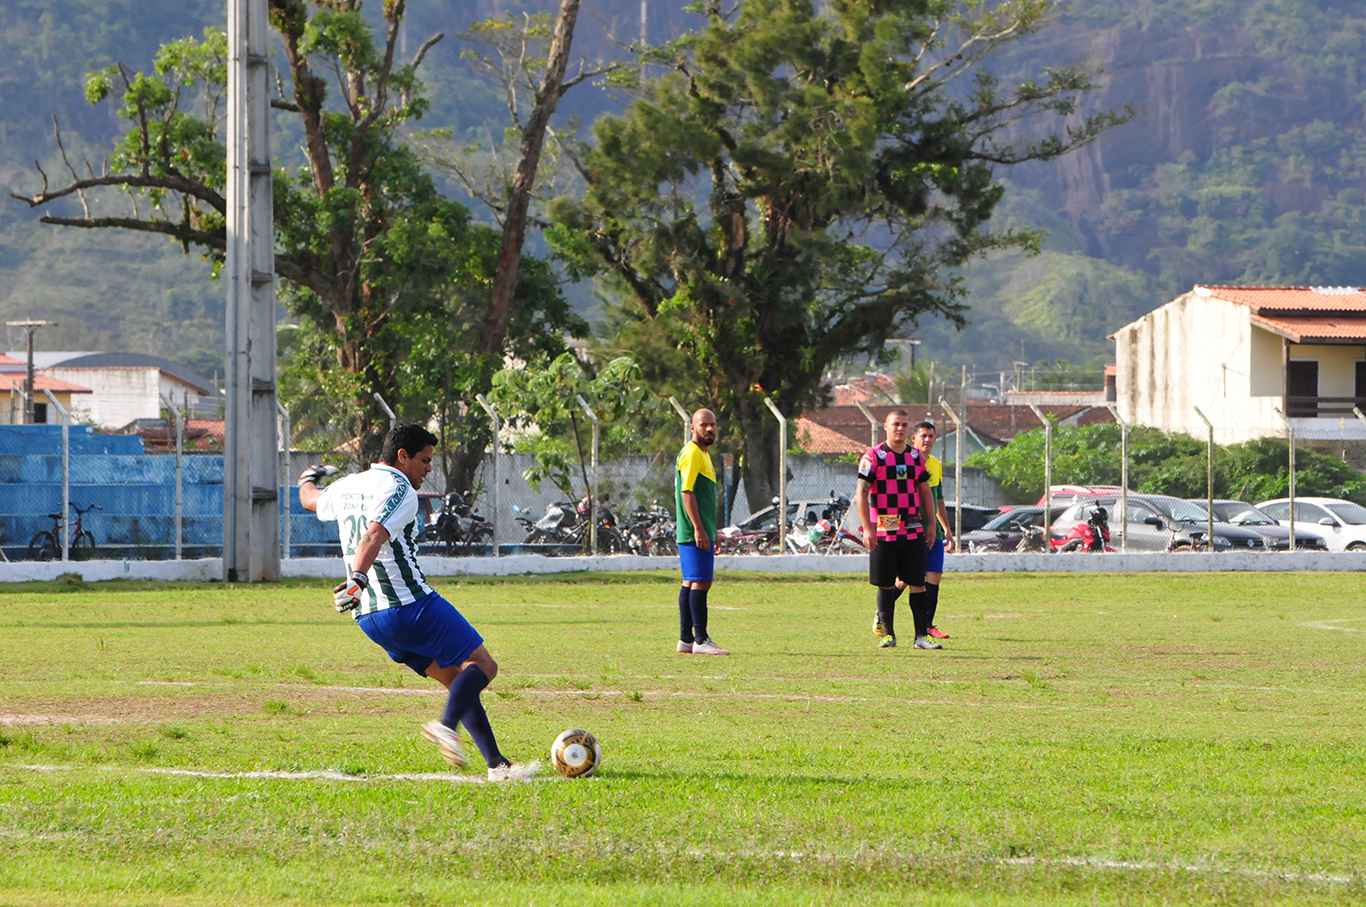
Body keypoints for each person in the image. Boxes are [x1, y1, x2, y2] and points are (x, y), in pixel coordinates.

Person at [298, 423, 535, 781]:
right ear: (402, 456)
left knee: (457, 681)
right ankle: (445, 725)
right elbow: (374, 534)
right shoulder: (400, 489)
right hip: (409, 604)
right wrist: (357, 579)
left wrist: (308, 477)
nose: (428, 469)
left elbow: (310, 499)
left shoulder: (348, 486)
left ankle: (497, 766)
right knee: (484, 665)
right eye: (424, 460)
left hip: (369, 618)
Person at [854, 409, 939, 650]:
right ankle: (887, 634)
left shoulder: (915, 457)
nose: (900, 428)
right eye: (896, 424)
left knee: (918, 582)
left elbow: (925, 492)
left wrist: (931, 524)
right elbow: (861, 493)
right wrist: (868, 529)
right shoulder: (874, 456)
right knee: (886, 583)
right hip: (885, 524)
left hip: (912, 525)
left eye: (904, 424)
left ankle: (921, 636)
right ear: (886, 427)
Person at [674, 408, 728, 656]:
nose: (709, 429)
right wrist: (698, 528)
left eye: (713, 425)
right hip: (694, 530)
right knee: (701, 581)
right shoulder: (692, 453)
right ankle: (700, 639)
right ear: (692, 427)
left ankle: (685, 640)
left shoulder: (702, 454)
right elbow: (687, 492)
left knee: (690, 580)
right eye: (704, 424)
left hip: (698, 529)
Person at [912, 419, 953, 640]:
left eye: (931, 436)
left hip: (932, 530)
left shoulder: (935, 465)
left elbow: (938, 499)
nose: (927, 440)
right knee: (907, 579)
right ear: (914, 439)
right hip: (910, 527)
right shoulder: (906, 462)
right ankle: (883, 613)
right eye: (923, 436)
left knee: (934, 574)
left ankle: (928, 625)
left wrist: (946, 528)